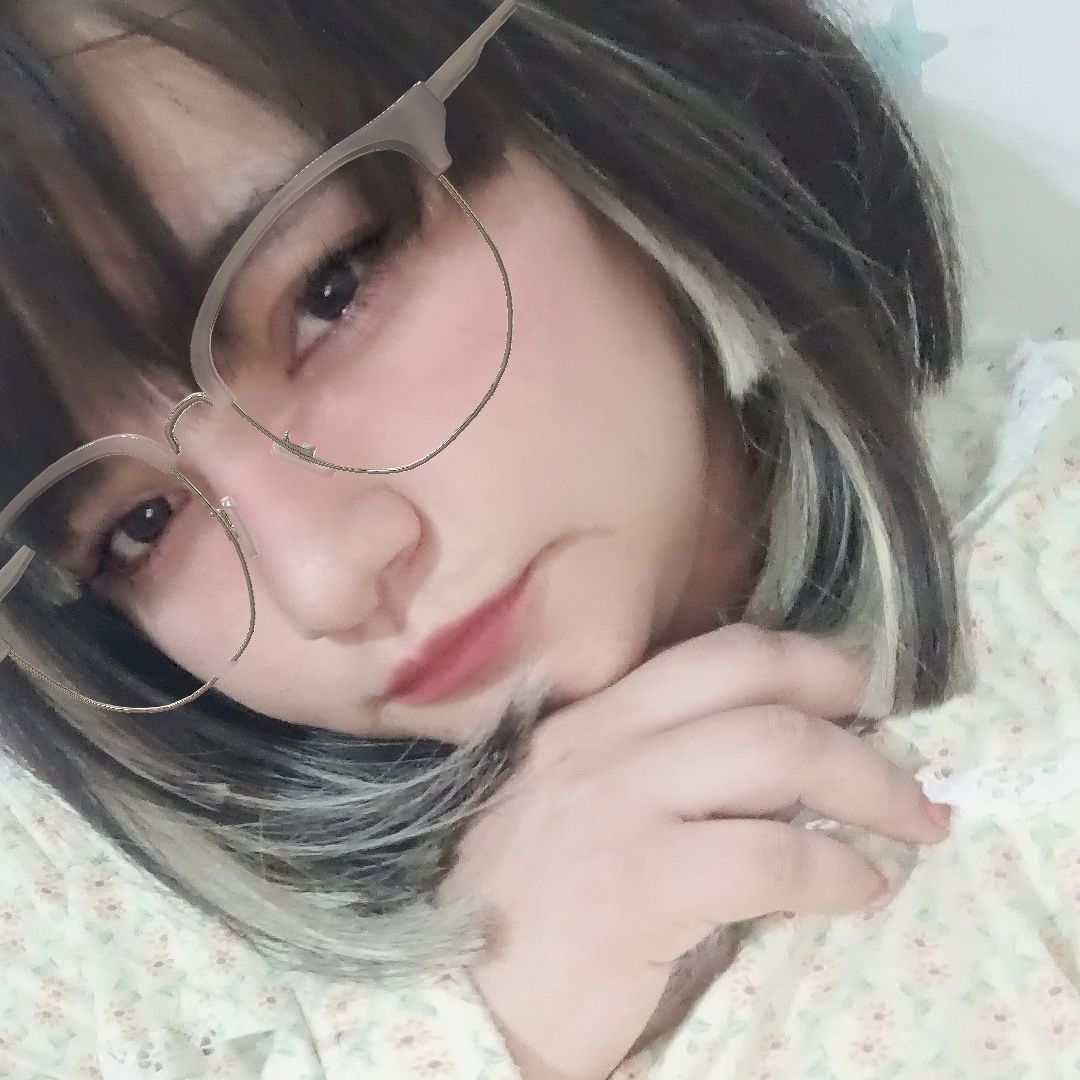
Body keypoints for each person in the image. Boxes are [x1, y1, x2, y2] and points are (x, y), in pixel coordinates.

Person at [0, 2, 977, 1077]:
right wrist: (482, 1027)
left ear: (574, 91)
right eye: (139, 527)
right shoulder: (104, 971)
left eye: (330, 288)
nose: (324, 580)